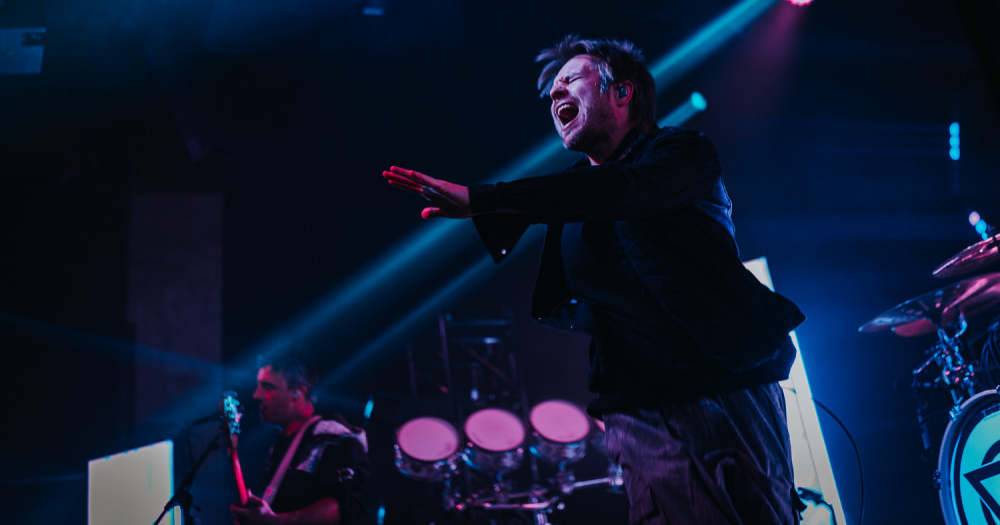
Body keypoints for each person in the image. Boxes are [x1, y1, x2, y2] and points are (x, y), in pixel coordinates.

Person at [383, 35, 806, 524]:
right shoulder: (571, 196)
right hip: (641, 411)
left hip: (726, 387)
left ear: (622, 92)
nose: (556, 94)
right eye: (552, 91)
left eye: (571, 79)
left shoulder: (681, 153)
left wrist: (485, 200)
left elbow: (622, 190)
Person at [231, 343, 372, 525]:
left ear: (298, 392)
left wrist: (274, 521)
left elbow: (343, 506)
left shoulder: (332, 433)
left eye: (267, 387)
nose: (256, 395)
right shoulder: (278, 445)